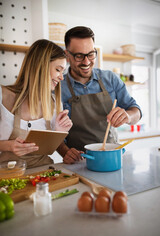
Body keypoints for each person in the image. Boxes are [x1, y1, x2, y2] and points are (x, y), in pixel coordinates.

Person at [59, 26, 142, 164]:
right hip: (80, 162)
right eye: (79, 56)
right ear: (67, 55)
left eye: (91, 54)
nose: (86, 62)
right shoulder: (58, 87)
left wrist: (127, 116)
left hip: (112, 157)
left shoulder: (110, 79)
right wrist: (65, 151)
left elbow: (136, 111)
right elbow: (51, 132)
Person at [0, 39, 72, 168]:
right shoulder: (3, 96)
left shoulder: (54, 103)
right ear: (41, 66)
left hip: (44, 174)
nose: (62, 77)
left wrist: (59, 132)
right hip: (8, 178)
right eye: (58, 69)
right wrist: (9, 146)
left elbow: (51, 147)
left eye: (63, 72)